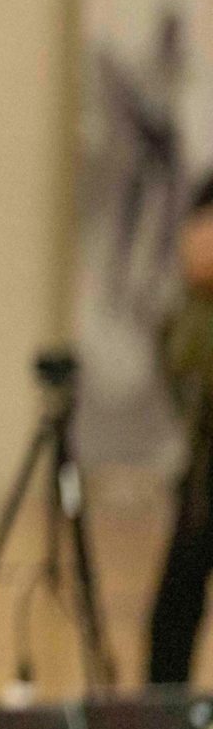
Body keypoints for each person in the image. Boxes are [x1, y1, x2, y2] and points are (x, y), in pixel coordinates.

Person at [149, 176, 213, 686]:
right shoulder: (192, 312)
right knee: (175, 609)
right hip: (202, 474)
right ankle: (161, 715)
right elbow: (179, 365)